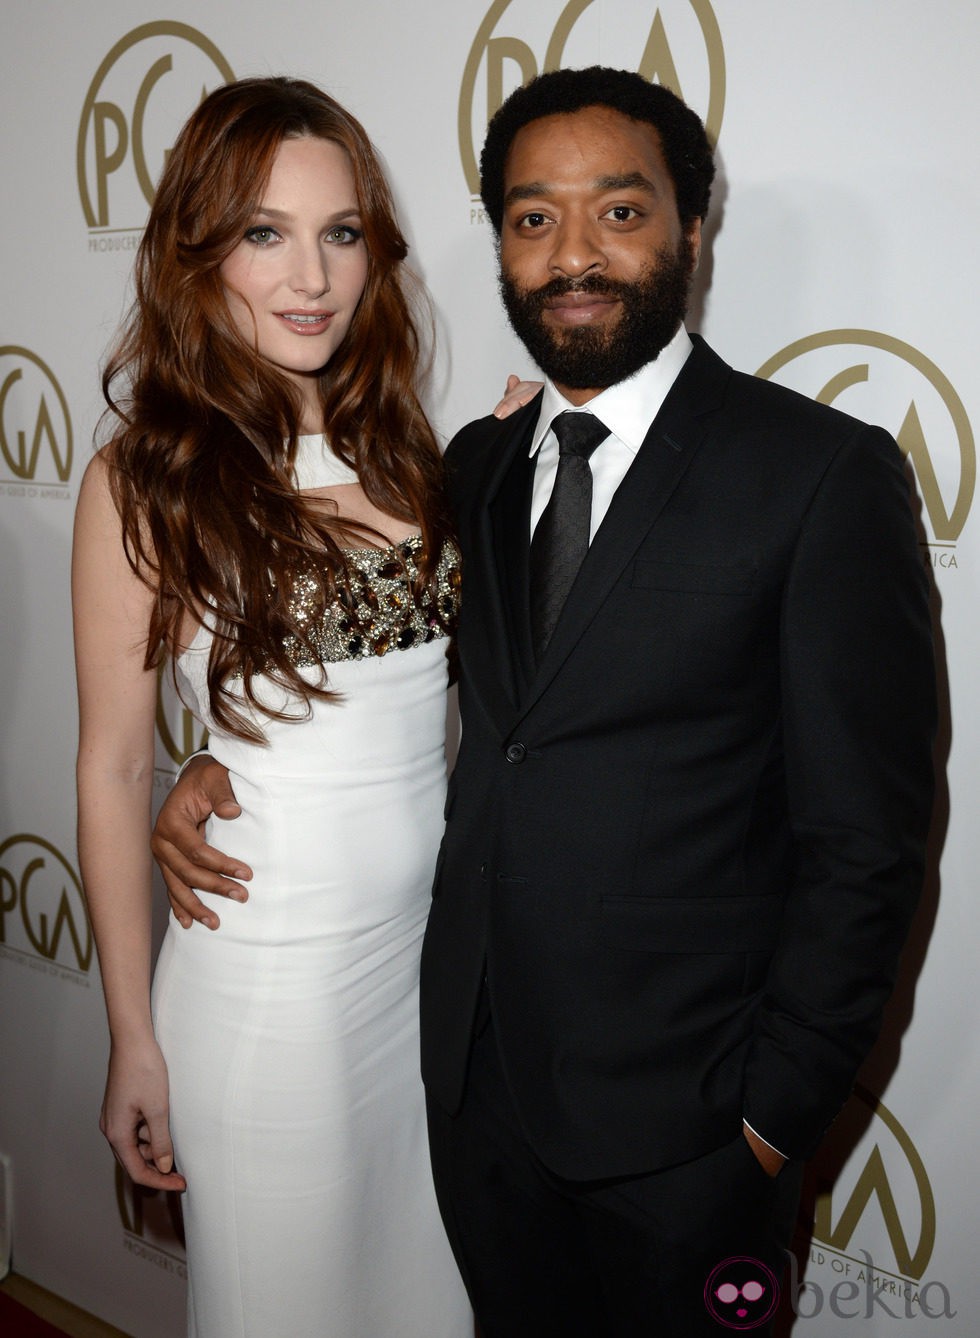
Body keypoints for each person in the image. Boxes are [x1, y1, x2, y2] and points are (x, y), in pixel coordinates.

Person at [153, 68, 937, 1336]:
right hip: (467, 1108)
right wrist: (200, 769)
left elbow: (867, 843)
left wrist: (764, 1125)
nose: (570, 253)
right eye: (530, 219)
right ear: (501, 247)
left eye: (617, 212)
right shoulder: (465, 466)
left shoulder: (815, 474)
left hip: (687, 1142)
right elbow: (379, 686)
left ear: (690, 226)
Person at [72, 76, 474, 1338]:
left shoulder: (414, 449)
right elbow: (108, 766)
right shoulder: (144, 480)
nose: (311, 275)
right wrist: (133, 1038)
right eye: (264, 233)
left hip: (427, 982)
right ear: (200, 251)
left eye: (340, 232)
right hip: (271, 998)